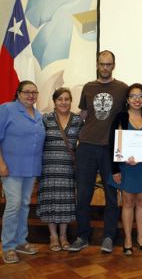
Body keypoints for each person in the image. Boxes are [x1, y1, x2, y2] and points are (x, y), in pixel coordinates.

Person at [69, 50, 128, 253]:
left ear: (114, 65)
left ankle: (109, 237)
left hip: (110, 149)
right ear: (97, 64)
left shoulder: (123, 88)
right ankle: (82, 236)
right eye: (102, 64)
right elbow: (84, 114)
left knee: (112, 195)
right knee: (83, 194)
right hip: (86, 146)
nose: (105, 67)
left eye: (109, 64)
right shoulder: (88, 87)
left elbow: (128, 117)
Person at [109, 83, 142, 256]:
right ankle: (128, 239)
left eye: (140, 96)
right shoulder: (120, 117)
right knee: (128, 202)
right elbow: (113, 143)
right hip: (126, 167)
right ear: (127, 99)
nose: (137, 100)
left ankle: (141, 238)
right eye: (133, 96)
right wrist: (115, 169)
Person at [0, 81, 45, 264]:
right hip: (11, 167)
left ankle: (20, 241)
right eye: (27, 92)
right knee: (14, 204)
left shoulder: (39, 115)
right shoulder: (6, 109)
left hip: (31, 167)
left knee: (25, 204)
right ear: (18, 93)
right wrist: (1, 162)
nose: (31, 95)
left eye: (34, 92)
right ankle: (8, 246)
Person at [37, 88, 83, 252]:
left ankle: (63, 236)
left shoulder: (78, 120)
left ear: (71, 101)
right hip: (48, 168)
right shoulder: (45, 119)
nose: (63, 102)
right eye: (60, 99)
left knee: (66, 202)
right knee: (51, 200)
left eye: (67, 99)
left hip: (68, 169)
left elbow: (83, 144)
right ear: (54, 101)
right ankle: (53, 236)